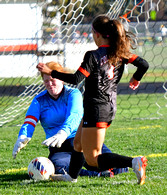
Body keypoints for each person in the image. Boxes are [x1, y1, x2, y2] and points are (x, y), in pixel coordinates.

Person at [36, 15, 149, 185]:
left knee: (93, 159)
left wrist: (51, 72)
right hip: (106, 106)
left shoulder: (93, 55)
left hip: (96, 109)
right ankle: (71, 176)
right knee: (78, 143)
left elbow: (76, 79)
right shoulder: (119, 53)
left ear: (96, 34)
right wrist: (136, 77)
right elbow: (144, 64)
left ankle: (133, 162)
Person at [12, 61, 128, 178]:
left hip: (83, 141)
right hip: (59, 149)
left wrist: (63, 133)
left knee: (115, 165)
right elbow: (30, 121)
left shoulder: (73, 93)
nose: (50, 84)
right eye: (46, 81)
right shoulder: (39, 100)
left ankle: (107, 169)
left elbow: (75, 115)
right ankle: (96, 174)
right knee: (58, 168)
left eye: (53, 80)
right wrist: (23, 136)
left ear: (61, 79)